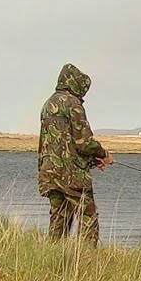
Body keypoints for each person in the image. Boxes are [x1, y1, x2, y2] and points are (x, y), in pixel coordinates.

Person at [37, 63, 114, 245]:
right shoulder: (73, 104)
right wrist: (104, 155)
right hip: (71, 175)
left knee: (59, 215)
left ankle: (53, 254)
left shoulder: (47, 104)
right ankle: (86, 259)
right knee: (88, 215)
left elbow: (62, 143)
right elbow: (84, 143)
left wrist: (93, 160)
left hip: (48, 173)